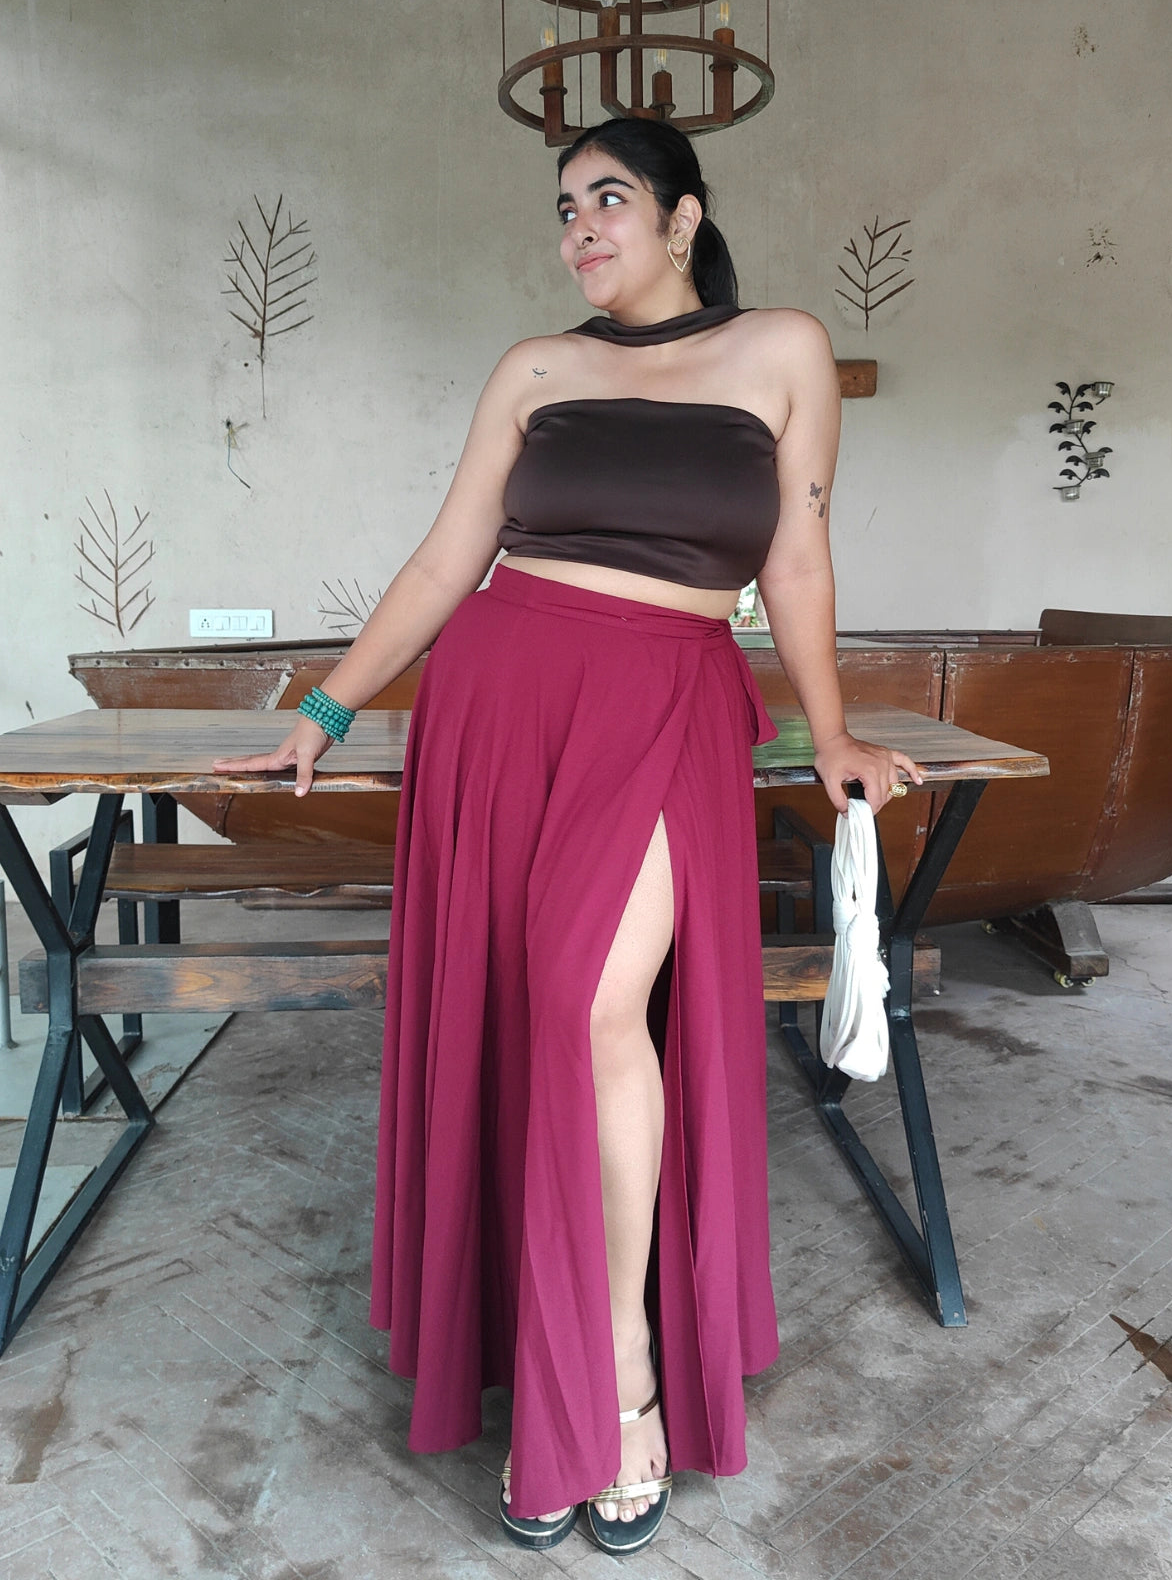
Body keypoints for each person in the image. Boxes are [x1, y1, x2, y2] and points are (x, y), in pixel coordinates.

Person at [214, 116, 921, 1556]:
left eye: (610, 199)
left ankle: (616, 1385)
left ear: (681, 217)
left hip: (662, 705)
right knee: (529, 1018)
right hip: (499, 701)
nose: (581, 229)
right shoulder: (536, 371)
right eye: (563, 209)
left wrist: (831, 726)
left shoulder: (780, 350)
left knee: (588, 1001)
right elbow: (443, 554)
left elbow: (796, 555)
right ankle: (574, 1381)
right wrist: (328, 712)